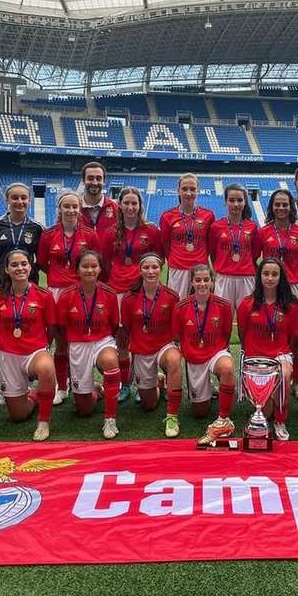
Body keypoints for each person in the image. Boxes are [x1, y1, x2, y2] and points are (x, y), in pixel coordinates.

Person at [99, 186, 162, 403]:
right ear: (120, 205)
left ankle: (146, 381)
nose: (130, 207)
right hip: (117, 291)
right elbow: (104, 263)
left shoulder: (151, 232)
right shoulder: (109, 233)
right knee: (122, 340)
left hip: (141, 292)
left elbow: (157, 259)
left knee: (143, 337)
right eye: (126, 203)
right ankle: (125, 383)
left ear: (140, 206)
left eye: (134, 203)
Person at [37, 190, 99, 406]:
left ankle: (80, 382)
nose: (71, 210)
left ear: (80, 209)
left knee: (80, 339)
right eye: (67, 206)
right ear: (60, 208)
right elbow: (43, 262)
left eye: (75, 206)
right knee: (61, 342)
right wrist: (58, 278)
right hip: (55, 293)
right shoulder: (48, 234)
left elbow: (94, 262)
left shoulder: (90, 234)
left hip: (80, 292)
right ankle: (61, 386)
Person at [0, 250, 57, 441]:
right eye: (15, 265)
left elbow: (51, 328)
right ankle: (35, 395)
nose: (20, 268)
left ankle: (44, 421)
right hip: (9, 355)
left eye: (24, 264)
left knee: (47, 367)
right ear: (7, 269)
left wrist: (43, 346)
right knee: (18, 416)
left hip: (35, 351)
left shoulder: (44, 295)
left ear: (30, 266)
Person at [55, 250, 123, 438]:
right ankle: (96, 390)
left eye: (94, 266)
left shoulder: (109, 293)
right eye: (85, 266)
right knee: (84, 410)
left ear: (100, 269)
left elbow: (114, 325)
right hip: (77, 345)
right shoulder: (67, 295)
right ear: (77, 269)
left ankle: (110, 419)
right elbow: (61, 328)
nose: (90, 270)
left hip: (102, 341)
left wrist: (103, 340)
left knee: (110, 361)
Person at [120, 253, 184, 437]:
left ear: (161, 270)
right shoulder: (129, 298)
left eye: (154, 267)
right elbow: (127, 328)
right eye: (146, 268)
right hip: (142, 350)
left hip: (164, 346)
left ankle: (172, 416)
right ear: (139, 270)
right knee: (148, 405)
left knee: (174, 360)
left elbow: (176, 328)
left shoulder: (172, 296)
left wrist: (176, 346)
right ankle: (159, 383)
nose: (150, 271)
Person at [172, 264, 236, 446]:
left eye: (206, 280)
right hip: (194, 358)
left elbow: (225, 334)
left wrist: (216, 350)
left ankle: (224, 419)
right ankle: (210, 389)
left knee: (227, 367)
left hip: (215, 352)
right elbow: (177, 336)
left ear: (212, 281)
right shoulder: (181, 307)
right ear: (191, 282)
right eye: (198, 280)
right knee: (200, 412)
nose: (202, 283)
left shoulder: (224, 305)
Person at [236, 258, 298, 441]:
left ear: (281, 278)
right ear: (259, 276)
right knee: (265, 412)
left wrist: (280, 350)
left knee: (285, 374)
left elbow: (294, 338)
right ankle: (267, 402)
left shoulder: (291, 306)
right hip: (255, 360)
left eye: (274, 274)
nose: (270, 278)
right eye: (266, 274)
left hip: (280, 355)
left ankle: (281, 420)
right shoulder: (247, 304)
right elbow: (242, 333)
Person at [256, 188, 298, 399]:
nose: (281, 208)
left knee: (294, 335)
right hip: (269, 285)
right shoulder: (263, 232)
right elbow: (256, 259)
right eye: (277, 204)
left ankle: (297, 379)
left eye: (285, 204)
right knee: (271, 329)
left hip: (293, 286)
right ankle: (266, 373)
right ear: (271, 207)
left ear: (291, 207)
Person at [160, 173, 216, 298]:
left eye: (192, 189)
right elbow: (165, 245)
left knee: (201, 307)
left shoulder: (208, 215)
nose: (188, 193)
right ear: (178, 191)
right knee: (177, 305)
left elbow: (210, 245)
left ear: (198, 191)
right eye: (184, 189)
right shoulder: (167, 216)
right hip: (177, 269)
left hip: (200, 271)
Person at [210, 183, 259, 310]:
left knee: (247, 318)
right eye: (231, 200)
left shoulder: (252, 227)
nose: (236, 204)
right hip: (224, 277)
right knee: (221, 317)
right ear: (226, 202)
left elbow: (255, 254)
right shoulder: (216, 226)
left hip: (246, 278)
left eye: (239, 200)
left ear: (245, 202)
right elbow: (213, 253)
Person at [0, 183, 42, 290]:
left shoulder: (37, 228)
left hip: (28, 281)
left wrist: (31, 271)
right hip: (1, 281)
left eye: (23, 198)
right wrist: (1, 271)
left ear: (29, 200)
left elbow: (41, 258)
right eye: (15, 198)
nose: (20, 202)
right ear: (7, 200)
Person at [79, 161, 119, 237]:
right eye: (90, 178)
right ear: (83, 181)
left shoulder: (115, 209)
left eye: (98, 178)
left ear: (104, 181)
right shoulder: (75, 208)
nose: (95, 183)